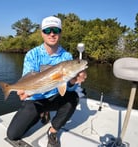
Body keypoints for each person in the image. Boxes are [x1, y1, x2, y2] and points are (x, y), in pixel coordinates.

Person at [6, 15, 87, 147]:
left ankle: (53, 131)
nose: (52, 34)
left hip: (54, 97)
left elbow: (66, 88)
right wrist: (25, 91)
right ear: (42, 33)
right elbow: (28, 78)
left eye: (56, 30)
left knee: (73, 97)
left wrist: (73, 82)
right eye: (47, 30)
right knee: (13, 135)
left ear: (60, 33)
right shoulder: (32, 54)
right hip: (35, 98)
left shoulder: (66, 56)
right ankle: (41, 113)